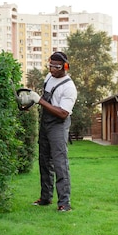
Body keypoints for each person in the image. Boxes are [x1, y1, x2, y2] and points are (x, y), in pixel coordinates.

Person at [33, 51, 78, 212]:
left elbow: (63, 113)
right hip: (45, 123)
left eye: (56, 67)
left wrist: (39, 101)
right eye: (50, 65)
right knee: (44, 161)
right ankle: (45, 198)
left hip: (58, 125)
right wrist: (31, 101)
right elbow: (45, 100)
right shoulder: (49, 77)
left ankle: (64, 203)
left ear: (65, 67)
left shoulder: (69, 88)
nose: (52, 69)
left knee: (60, 163)